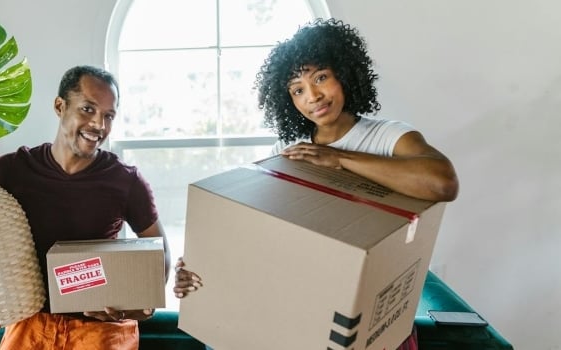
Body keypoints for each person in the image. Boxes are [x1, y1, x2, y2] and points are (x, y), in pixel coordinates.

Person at [173, 18, 459, 350]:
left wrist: (339, 159)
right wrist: (202, 265)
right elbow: (262, 234)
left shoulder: (388, 135)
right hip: (310, 302)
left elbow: (443, 183)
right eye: (297, 89)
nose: (313, 96)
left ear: (344, 73)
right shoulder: (285, 152)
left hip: (369, 310)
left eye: (320, 77)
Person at [0, 65, 171, 350]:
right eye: (88, 109)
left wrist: (135, 308)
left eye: (109, 116)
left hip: (102, 328)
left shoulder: (126, 181)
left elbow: (158, 251)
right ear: (59, 106)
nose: (99, 126)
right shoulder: (12, 171)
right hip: (30, 323)